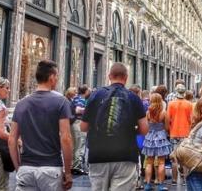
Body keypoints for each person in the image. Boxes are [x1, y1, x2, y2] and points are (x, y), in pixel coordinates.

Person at [8, 60, 73, 190]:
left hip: (26, 168)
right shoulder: (61, 102)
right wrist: (68, 172)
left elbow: (12, 139)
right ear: (51, 77)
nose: (57, 79)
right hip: (51, 168)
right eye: (57, 76)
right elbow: (66, 138)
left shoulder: (21, 104)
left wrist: (18, 168)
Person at [82, 62, 148, 190]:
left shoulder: (95, 95)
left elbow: (83, 127)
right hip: (125, 155)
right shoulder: (133, 98)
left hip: (98, 154)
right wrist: (133, 130)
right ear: (126, 78)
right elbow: (144, 129)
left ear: (109, 76)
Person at [142, 93, 171, 191]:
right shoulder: (164, 112)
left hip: (150, 137)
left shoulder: (147, 113)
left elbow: (146, 126)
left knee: (149, 162)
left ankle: (147, 184)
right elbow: (167, 127)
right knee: (161, 162)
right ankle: (160, 185)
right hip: (161, 138)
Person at [71, 85, 90, 175]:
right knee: (80, 145)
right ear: (85, 91)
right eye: (88, 90)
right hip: (79, 123)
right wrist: (88, 110)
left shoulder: (76, 98)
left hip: (74, 123)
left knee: (75, 145)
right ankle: (77, 167)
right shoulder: (81, 99)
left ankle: (74, 165)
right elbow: (78, 110)